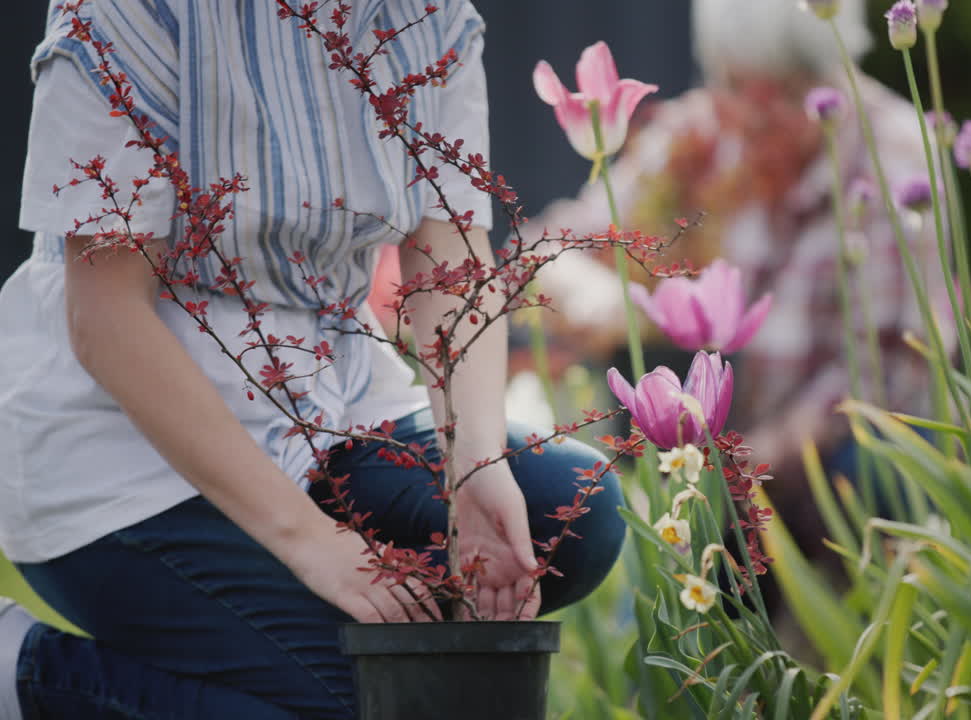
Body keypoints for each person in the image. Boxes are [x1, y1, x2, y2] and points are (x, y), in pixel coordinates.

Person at [0, 2, 623, 718]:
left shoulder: (428, 16)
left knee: (573, 510)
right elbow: (105, 320)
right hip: (123, 452)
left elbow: (447, 245)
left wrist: (473, 462)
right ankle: (28, 674)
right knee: (372, 701)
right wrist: (312, 544)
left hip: (328, 409)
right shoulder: (134, 14)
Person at [534, 0, 957, 555]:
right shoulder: (699, 137)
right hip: (719, 452)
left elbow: (881, 374)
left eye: (782, 93)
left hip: (837, 451)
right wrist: (593, 294)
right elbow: (546, 246)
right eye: (735, 87)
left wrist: (740, 469)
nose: (753, 117)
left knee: (882, 459)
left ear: (832, 74)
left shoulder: (895, 160)